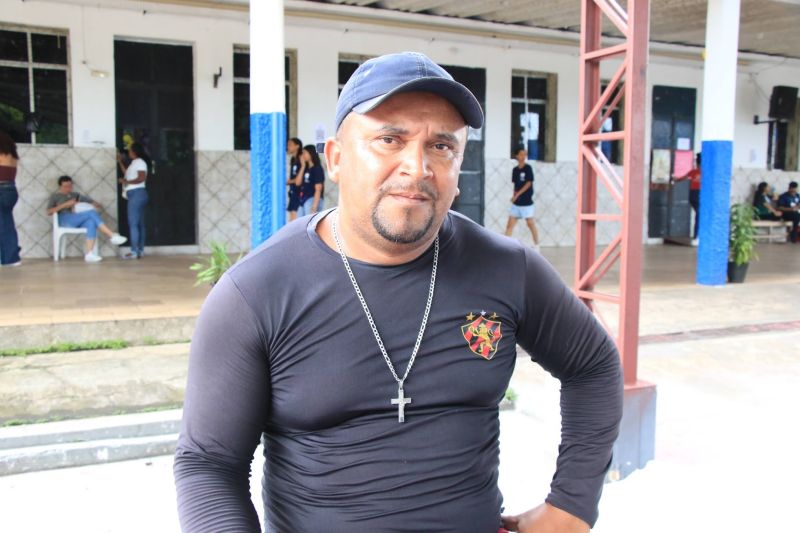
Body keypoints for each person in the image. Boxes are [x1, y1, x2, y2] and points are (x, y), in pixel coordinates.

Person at [174, 52, 622, 533]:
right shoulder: (256, 292)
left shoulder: (506, 268)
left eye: (441, 147)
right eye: (390, 139)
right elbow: (208, 463)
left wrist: (571, 507)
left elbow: (592, 365)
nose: (417, 167)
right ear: (337, 158)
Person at [46, 175, 127, 262]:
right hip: (65, 219)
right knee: (91, 214)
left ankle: (89, 254)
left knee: (91, 222)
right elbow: (49, 211)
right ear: (60, 186)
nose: (68, 188)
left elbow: (91, 201)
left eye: (70, 186)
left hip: (76, 217)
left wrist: (94, 205)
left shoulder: (75, 195)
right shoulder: (55, 196)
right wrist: (65, 205)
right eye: (65, 186)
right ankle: (112, 235)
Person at [116, 142, 149, 259]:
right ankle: (140, 250)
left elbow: (141, 178)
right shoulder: (134, 163)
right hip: (138, 194)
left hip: (136, 194)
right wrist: (120, 161)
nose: (129, 152)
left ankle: (134, 251)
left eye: (130, 150)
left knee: (133, 224)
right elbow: (127, 174)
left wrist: (125, 182)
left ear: (135, 151)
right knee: (140, 224)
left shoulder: (140, 162)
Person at [504, 148, 540, 249]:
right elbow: (516, 185)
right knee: (509, 225)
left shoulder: (528, 168)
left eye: (525, 155)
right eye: (521, 154)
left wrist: (517, 195)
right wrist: (514, 196)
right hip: (517, 203)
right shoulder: (515, 170)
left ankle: (537, 245)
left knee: (530, 223)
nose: (523, 157)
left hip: (527, 202)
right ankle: (505, 247)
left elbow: (529, 183)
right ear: (517, 156)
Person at [0, 131, 21, 267]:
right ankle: (11, 258)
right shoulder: (13, 157)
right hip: (11, 191)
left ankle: (8, 258)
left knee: (3, 226)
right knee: (7, 225)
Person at [675, 152, 701, 245]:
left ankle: (697, 236)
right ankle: (696, 236)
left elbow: (682, 178)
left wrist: (674, 179)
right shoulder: (705, 173)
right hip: (698, 195)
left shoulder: (693, 172)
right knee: (699, 215)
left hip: (692, 195)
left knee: (699, 215)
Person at [296, 143, 325, 216]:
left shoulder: (317, 168)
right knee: (300, 224)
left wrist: (314, 206)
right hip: (303, 200)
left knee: (309, 225)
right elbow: (297, 183)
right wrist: (302, 166)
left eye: (304, 153)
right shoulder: (305, 168)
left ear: (311, 153)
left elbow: (318, 188)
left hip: (312, 199)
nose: (302, 155)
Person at [286, 137, 304, 221]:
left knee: (296, 219)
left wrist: (290, 181)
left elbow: (299, 180)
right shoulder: (293, 159)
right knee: (291, 218)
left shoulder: (301, 159)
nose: (288, 147)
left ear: (297, 146)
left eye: (290, 145)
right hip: (293, 192)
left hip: (299, 193)